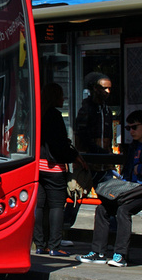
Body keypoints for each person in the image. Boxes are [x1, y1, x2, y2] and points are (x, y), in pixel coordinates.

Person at [77, 110, 142, 267]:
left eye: (134, 127)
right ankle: (98, 252)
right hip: (130, 188)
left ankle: (121, 254)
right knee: (102, 209)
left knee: (123, 210)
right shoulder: (132, 147)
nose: (131, 131)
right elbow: (127, 171)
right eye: (128, 128)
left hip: (139, 189)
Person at [34, 83, 84, 256]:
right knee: (56, 207)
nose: (63, 99)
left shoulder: (37, 113)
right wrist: (74, 157)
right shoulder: (55, 115)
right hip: (53, 167)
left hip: (36, 167)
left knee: (38, 207)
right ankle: (54, 246)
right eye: (61, 95)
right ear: (54, 96)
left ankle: (39, 245)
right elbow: (60, 145)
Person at [75, 72, 114, 183]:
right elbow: (82, 134)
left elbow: (109, 135)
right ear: (95, 89)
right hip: (89, 162)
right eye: (104, 88)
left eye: (109, 88)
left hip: (105, 163)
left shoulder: (107, 110)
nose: (108, 92)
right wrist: (97, 151)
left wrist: (108, 154)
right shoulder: (86, 109)